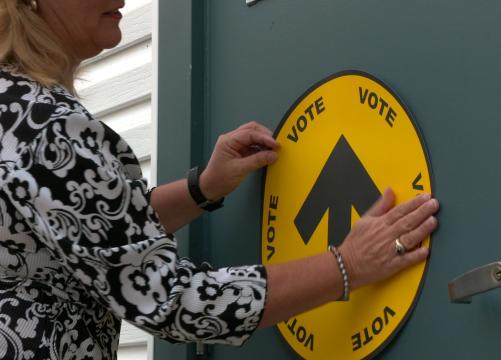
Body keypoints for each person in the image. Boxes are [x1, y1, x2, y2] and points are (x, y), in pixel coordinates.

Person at [0, 0, 440, 358]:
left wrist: (202, 189)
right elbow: (172, 300)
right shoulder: (45, 125)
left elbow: (84, 232)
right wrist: (346, 265)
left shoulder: (12, 111)